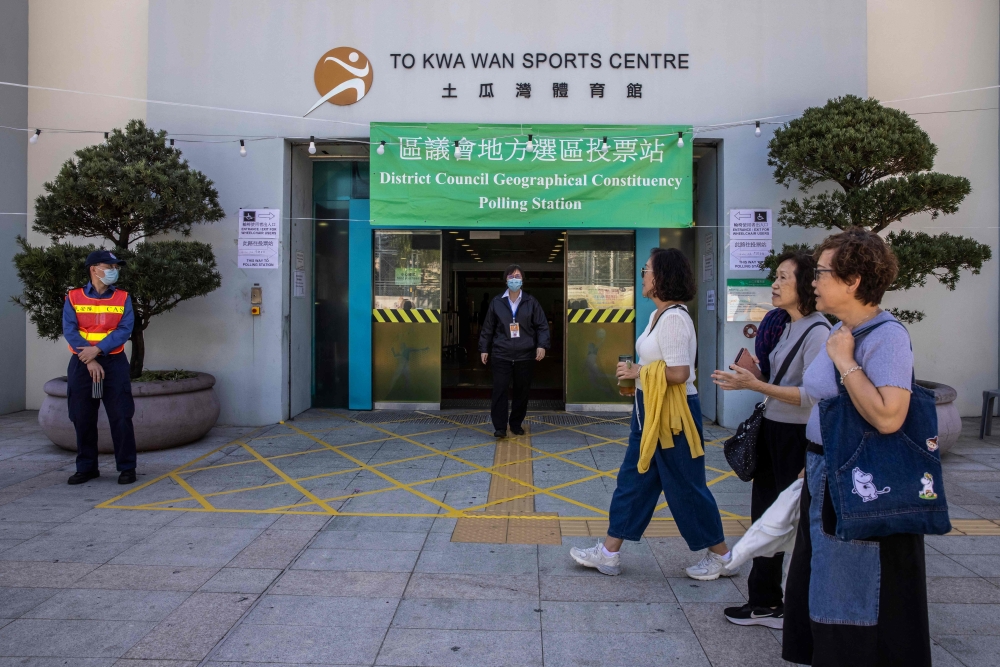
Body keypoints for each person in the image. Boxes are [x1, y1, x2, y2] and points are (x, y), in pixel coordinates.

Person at [783, 229, 929, 667]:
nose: (814, 280)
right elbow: (827, 405)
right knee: (825, 575)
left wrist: (846, 361)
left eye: (823, 272)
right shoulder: (842, 330)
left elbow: (889, 415)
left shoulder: (885, 336)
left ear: (853, 281)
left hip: (862, 484)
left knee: (852, 585)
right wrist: (814, 459)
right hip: (828, 469)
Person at [570, 248, 732, 580]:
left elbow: (679, 373)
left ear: (660, 278)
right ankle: (608, 553)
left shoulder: (673, 319)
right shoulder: (657, 315)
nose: (642, 275)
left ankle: (723, 557)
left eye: (646, 270)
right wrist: (639, 373)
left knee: (687, 487)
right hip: (650, 410)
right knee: (634, 481)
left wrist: (636, 372)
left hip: (673, 415)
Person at [711, 249, 830, 628]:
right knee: (763, 517)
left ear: (806, 284)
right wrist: (748, 378)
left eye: (783, 278)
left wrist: (757, 384)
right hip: (774, 430)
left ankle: (794, 606)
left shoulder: (819, 331)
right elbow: (778, 380)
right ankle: (763, 601)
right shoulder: (785, 324)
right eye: (774, 277)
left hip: (798, 437)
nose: (775, 285)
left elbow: (812, 395)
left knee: (789, 521)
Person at [63, 250, 138, 485]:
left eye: (116, 267)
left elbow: (125, 330)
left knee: (121, 416)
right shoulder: (73, 297)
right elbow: (70, 330)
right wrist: (90, 358)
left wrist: (98, 350)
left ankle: (127, 467)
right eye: (109, 266)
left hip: (113, 362)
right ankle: (86, 467)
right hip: (83, 363)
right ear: (93, 269)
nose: (114, 271)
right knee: (82, 417)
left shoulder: (123, 297)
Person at [479, 266, 550, 438]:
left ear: (522, 280)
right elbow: (488, 328)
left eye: (517, 276)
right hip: (501, 354)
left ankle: (516, 424)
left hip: (525, 355)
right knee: (500, 390)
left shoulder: (531, 302)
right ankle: (500, 427)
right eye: (511, 276)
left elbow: (542, 326)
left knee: (522, 391)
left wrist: (542, 345)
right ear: (506, 280)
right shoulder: (497, 302)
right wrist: (484, 348)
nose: (514, 279)